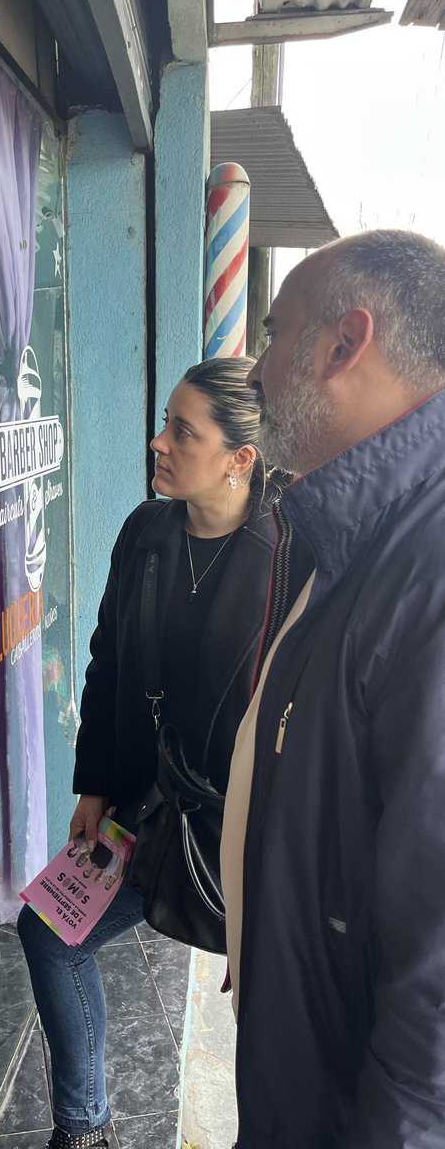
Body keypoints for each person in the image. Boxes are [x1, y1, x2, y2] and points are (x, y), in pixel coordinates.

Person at [220, 229, 445, 1149]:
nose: (254, 368)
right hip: (301, 1056)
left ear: (344, 343)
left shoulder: (425, 566)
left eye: (272, 334)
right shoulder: (353, 523)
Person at [18, 357, 275, 1149]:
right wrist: (94, 784)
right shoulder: (146, 532)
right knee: (50, 931)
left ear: (239, 459)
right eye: (165, 421)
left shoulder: (288, 553)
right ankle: (84, 1127)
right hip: (145, 801)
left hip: (244, 830)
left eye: (181, 431)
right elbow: (106, 663)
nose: (157, 442)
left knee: (265, 1007)